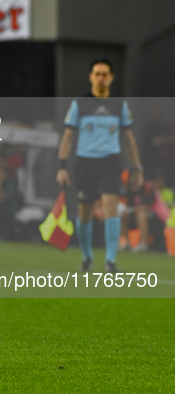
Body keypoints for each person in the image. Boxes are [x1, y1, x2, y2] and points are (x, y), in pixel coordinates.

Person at [57, 59, 144, 272]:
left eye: (105, 74)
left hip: (110, 162)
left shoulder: (119, 105)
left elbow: (129, 138)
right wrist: (62, 166)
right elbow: (68, 136)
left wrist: (137, 168)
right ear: (91, 77)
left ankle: (110, 261)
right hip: (85, 162)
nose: (101, 78)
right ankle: (87, 257)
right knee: (85, 213)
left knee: (110, 209)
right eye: (97, 74)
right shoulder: (80, 104)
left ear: (112, 77)